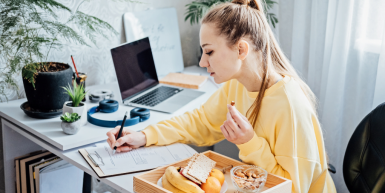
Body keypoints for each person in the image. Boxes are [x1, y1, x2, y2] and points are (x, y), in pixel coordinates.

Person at [106, 0, 337, 192]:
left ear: (241, 50)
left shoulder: (289, 104)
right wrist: (144, 135)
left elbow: (294, 188)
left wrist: (249, 143)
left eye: (209, 52)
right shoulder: (236, 85)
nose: (202, 62)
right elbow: (199, 122)